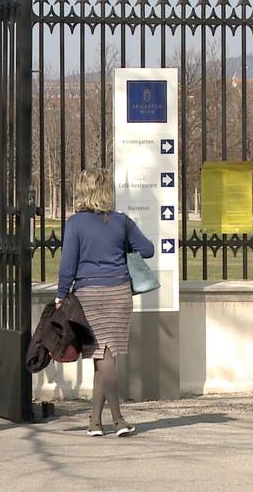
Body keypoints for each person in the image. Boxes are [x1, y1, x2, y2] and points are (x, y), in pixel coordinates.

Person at [56, 167, 154, 437]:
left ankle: (104, 421)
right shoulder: (122, 222)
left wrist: (61, 294)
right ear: (106, 191)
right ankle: (108, 420)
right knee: (105, 356)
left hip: (89, 295)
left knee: (101, 355)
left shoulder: (75, 224)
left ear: (83, 191)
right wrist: (121, 245)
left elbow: (68, 265)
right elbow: (148, 249)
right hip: (118, 293)